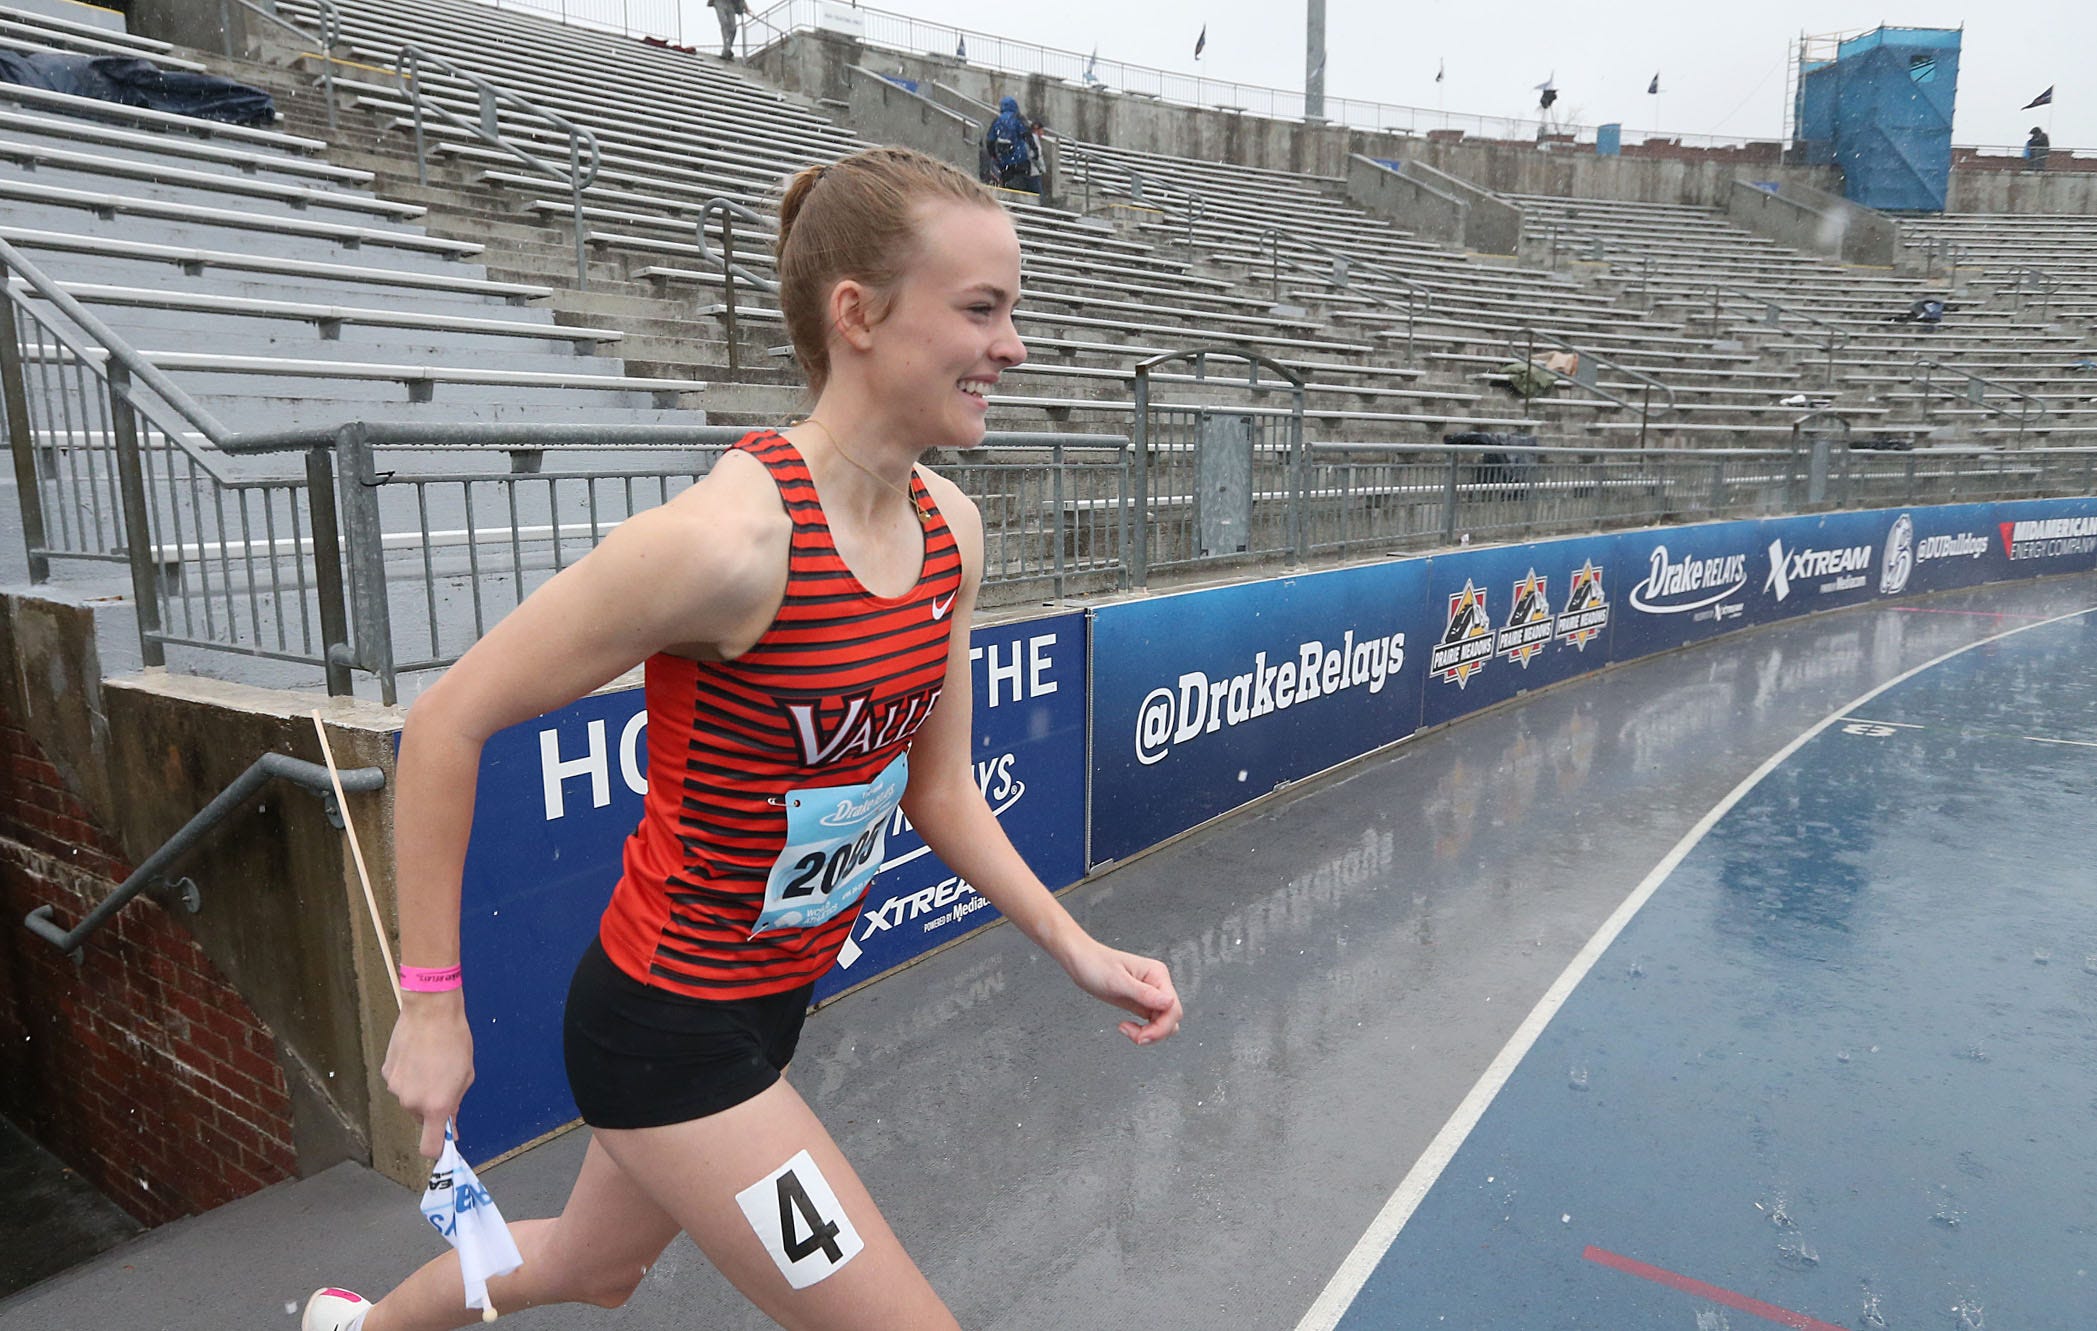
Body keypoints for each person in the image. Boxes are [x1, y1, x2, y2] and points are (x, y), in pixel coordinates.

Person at [302, 146, 1182, 1331]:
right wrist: (432, 1001)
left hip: (774, 998)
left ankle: (352, 1328)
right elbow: (452, 717)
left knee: (593, 1264)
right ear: (856, 314)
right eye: (982, 310)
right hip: (667, 1024)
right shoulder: (728, 542)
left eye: (1011, 311)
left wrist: (1074, 945)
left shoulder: (952, 530)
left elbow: (939, 790)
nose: (1012, 346)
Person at [983, 95, 1042, 193]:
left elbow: (990, 141)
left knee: (1007, 185)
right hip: (1020, 159)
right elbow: (1027, 135)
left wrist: (994, 156)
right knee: (1024, 184)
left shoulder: (997, 121)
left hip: (1004, 161)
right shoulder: (1018, 118)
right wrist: (1034, 150)